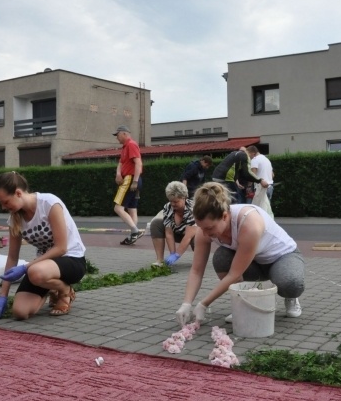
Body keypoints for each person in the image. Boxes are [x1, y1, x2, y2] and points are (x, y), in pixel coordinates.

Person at [175, 182, 305, 327]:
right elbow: (196, 270)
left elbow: (234, 274)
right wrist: (186, 303)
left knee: (290, 282)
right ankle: (243, 304)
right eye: (201, 228)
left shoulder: (249, 223)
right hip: (254, 262)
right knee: (222, 258)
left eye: (209, 228)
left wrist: (203, 304)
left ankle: (291, 297)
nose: (205, 233)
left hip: (282, 257)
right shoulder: (204, 230)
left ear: (225, 216)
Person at [0, 171, 87, 320]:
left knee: (35, 272)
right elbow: (12, 257)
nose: (3, 207)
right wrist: (3, 295)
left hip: (71, 260)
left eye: (6, 202)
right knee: (20, 312)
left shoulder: (49, 204)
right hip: (43, 268)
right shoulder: (15, 219)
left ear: (18, 193)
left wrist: (26, 267)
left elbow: (61, 248)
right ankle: (51, 288)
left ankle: (64, 290)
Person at [149, 181, 197, 267]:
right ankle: (159, 260)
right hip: (177, 233)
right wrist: (172, 253)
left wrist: (176, 255)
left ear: (184, 198)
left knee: (197, 237)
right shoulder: (168, 207)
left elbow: (188, 236)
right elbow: (169, 233)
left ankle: (199, 261)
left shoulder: (192, 209)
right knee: (156, 224)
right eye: (171, 201)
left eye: (176, 201)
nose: (172, 204)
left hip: (192, 236)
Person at [113, 125, 144, 245]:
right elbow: (121, 163)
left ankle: (135, 231)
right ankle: (133, 236)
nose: (116, 137)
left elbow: (138, 163)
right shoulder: (125, 147)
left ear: (124, 134)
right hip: (133, 179)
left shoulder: (131, 145)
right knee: (132, 209)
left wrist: (134, 181)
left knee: (118, 208)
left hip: (130, 179)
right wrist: (118, 174)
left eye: (117, 135)